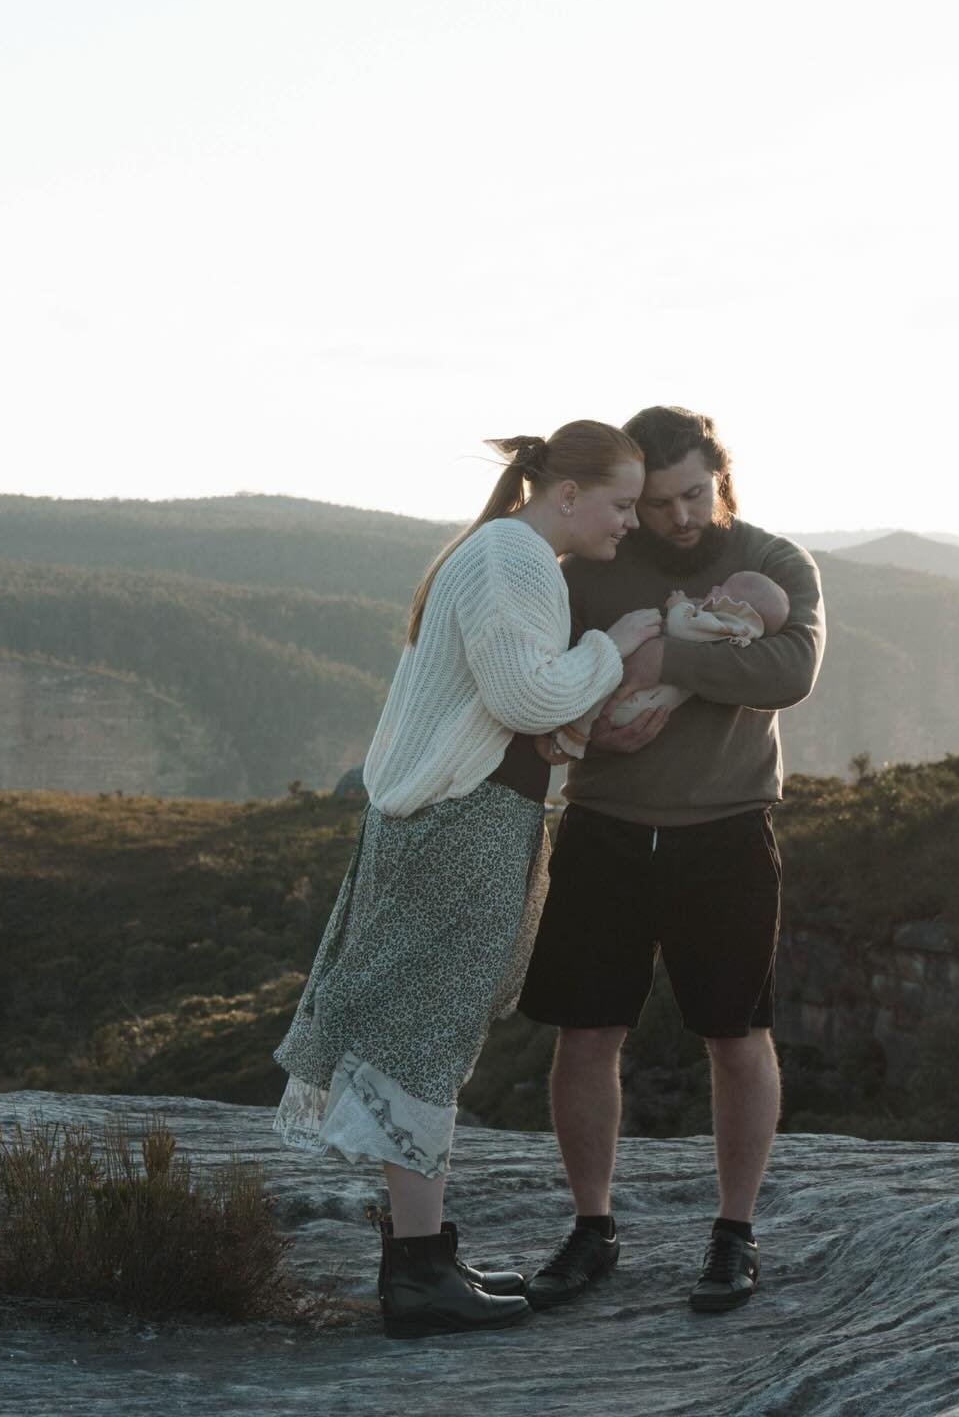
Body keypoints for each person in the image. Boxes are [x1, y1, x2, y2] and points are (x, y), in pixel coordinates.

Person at [271, 421, 663, 1339]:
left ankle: (425, 1253)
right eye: (621, 504)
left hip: (463, 816)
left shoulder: (512, 555)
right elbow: (526, 698)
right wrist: (617, 645)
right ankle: (416, 1276)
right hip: (462, 820)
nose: (629, 524)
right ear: (567, 493)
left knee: (427, 1028)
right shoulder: (515, 559)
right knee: (424, 1033)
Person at [518, 405, 825, 1316]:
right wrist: (612, 707)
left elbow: (791, 672)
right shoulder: (591, 567)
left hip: (725, 830)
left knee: (735, 1038)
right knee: (586, 1033)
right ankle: (591, 1227)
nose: (679, 517)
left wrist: (667, 661)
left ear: (719, 478)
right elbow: (543, 688)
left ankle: (734, 1235)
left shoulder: (775, 562)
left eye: (695, 494)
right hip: (606, 825)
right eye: (657, 503)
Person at [550, 570, 791, 758]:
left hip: (638, 701)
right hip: (646, 707)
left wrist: (680, 604)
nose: (714, 587)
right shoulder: (736, 633)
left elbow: (681, 627)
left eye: (722, 589)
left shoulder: (721, 625)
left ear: (737, 607)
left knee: (600, 699)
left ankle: (570, 737)